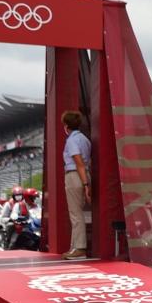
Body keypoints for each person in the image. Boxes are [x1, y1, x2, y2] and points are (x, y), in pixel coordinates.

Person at [61, 110, 91, 260]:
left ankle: (79, 248)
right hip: (83, 175)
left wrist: (85, 184)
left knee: (75, 213)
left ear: (66, 126)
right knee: (77, 212)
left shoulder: (71, 141)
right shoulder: (84, 139)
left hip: (75, 176)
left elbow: (78, 162)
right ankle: (75, 247)